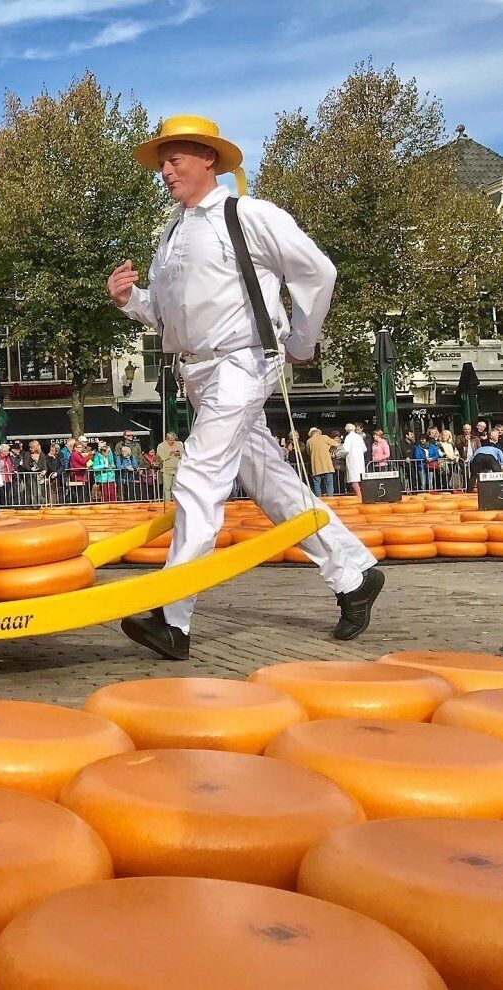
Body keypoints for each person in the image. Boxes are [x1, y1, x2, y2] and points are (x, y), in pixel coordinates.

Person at [108, 114, 381, 658]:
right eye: (162, 161)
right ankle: (354, 572)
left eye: (176, 158)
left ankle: (172, 614)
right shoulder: (171, 231)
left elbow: (318, 272)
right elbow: (169, 316)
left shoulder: (248, 214)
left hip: (242, 363)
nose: (166, 170)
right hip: (199, 371)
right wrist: (131, 300)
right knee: (272, 483)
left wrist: (303, 340)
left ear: (209, 159)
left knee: (198, 475)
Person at [306, 428, 337, 497]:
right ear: (319, 432)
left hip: (316, 465)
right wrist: (331, 450)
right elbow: (336, 444)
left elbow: (308, 452)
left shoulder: (309, 441)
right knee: (329, 483)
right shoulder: (325, 437)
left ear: (311, 434)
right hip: (327, 464)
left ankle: (319, 500)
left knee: (317, 484)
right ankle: (330, 498)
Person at [341, 422, 367, 499]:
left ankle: (359, 497)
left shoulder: (348, 437)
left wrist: (338, 454)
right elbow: (364, 449)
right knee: (361, 478)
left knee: (354, 479)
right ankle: (365, 495)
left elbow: (345, 449)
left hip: (352, 460)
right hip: (360, 460)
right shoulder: (359, 437)